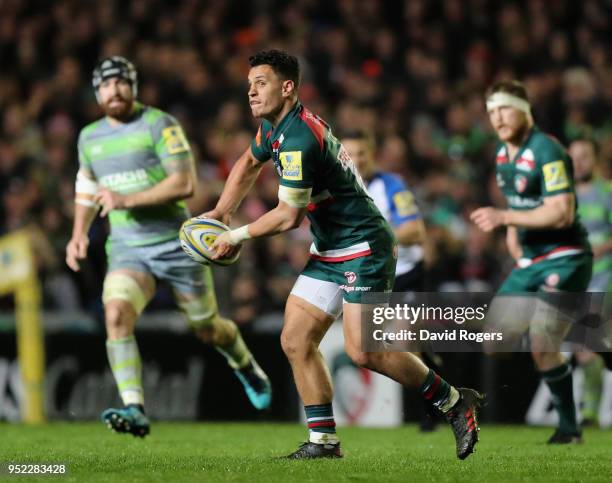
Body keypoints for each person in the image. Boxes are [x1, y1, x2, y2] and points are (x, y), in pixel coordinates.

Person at [203, 49, 484, 460]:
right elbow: (248, 162)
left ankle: (454, 402)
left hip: (364, 246)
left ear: (287, 87)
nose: (251, 92)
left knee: (364, 351)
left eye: (260, 83)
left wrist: (235, 234)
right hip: (332, 247)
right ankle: (323, 442)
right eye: (249, 85)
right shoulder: (276, 127)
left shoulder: (298, 139)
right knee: (295, 339)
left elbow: (286, 217)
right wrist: (220, 211)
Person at [65, 56, 271, 438]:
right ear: (97, 92)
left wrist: (126, 200)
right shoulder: (89, 137)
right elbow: (87, 186)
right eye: (106, 85)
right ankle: (135, 408)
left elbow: (183, 184)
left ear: (134, 86)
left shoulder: (159, 124)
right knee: (116, 316)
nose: (115, 90)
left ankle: (245, 365)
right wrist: (79, 232)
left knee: (207, 329)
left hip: (178, 246)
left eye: (121, 82)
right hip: (128, 250)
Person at [471, 80, 592, 444]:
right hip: (531, 262)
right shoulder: (503, 155)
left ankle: (569, 430)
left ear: (525, 109)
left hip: (565, 257)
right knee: (495, 340)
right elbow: (517, 209)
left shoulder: (547, 150)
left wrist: (506, 220)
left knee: (542, 341)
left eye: (505, 108)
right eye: (492, 111)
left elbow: (561, 213)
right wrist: (515, 242)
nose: (498, 118)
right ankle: (590, 330)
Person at [341, 130, 443, 432]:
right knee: (371, 351)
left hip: (405, 275)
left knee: (403, 343)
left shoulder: (391, 186)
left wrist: (376, 238)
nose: (356, 160)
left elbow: (415, 231)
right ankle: (435, 370)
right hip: (370, 279)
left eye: (362, 153)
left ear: (372, 155)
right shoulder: (340, 190)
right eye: (350, 154)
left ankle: (432, 411)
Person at [569, 138, 612, 426]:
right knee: (584, 351)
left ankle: (590, 412)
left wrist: (599, 249)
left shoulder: (607, 193)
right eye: (574, 158)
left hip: (605, 277)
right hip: (577, 282)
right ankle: (591, 411)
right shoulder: (565, 197)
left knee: (586, 344)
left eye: (584, 156)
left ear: (595, 159)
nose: (579, 163)